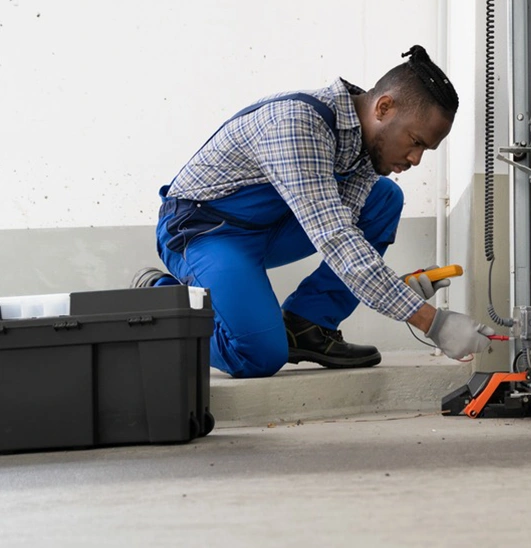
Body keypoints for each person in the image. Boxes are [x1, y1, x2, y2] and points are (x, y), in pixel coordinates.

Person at [133, 45, 494, 378]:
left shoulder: (366, 148)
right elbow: (336, 240)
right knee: (257, 354)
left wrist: (398, 289)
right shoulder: (297, 123)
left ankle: (307, 325)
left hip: (271, 227)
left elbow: (347, 235)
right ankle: (162, 300)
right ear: (384, 108)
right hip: (205, 232)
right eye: (416, 142)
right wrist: (433, 322)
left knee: (384, 198)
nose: (415, 159)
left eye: (425, 150)